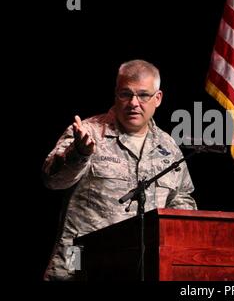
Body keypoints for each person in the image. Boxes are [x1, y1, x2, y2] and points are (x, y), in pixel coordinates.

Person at [42, 59, 197, 280]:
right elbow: (52, 180)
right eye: (126, 94)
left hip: (138, 266)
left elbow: (181, 198)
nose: (134, 103)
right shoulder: (88, 132)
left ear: (158, 98)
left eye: (143, 95)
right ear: (116, 94)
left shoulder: (168, 147)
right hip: (78, 261)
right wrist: (79, 154)